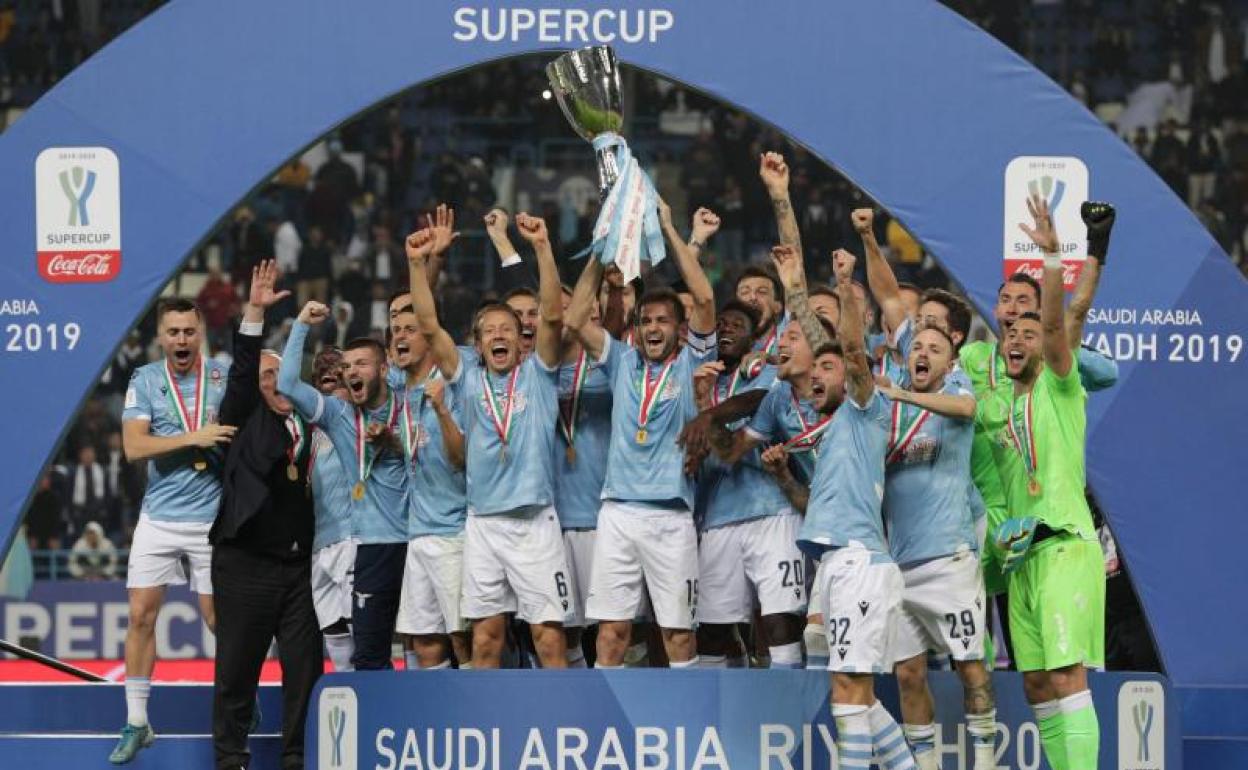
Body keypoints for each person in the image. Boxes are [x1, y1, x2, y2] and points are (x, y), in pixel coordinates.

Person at [974, 197, 1114, 770]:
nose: (1015, 336)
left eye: (1029, 332)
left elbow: (1066, 320)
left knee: (1065, 673)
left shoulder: (1061, 385)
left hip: (1063, 546)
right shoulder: (1001, 402)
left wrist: (1064, 255)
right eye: (1009, 330)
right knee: (1034, 684)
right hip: (1021, 557)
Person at [774, 245, 917, 770]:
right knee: (852, 687)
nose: (817, 374)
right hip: (832, 560)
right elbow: (830, 349)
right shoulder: (834, 423)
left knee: (848, 689)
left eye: (827, 369)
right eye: (816, 369)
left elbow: (851, 351)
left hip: (859, 559)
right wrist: (793, 285)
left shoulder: (866, 406)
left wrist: (843, 285)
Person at [405, 213, 570, 669]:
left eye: (508, 330)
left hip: (536, 522)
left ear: (522, 342)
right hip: (483, 525)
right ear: (476, 346)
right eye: (490, 331)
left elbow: (553, 315)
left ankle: (558, 728)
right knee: (484, 640)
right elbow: (428, 324)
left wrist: (541, 247)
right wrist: (417, 266)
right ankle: (491, 726)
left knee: (549, 639)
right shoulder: (467, 379)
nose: (499, 335)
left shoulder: (538, 374)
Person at [565, 203, 718, 669]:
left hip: (671, 517)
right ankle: (602, 726)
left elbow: (706, 300)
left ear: (680, 329)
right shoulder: (622, 362)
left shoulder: (692, 361)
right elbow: (573, 321)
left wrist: (671, 228)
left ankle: (687, 731)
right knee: (610, 634)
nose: (653, 328)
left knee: (677, 636)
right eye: (646, 321)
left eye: (663, 321)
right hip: (617, 514)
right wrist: (599, 247)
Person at [209, 260, 323, 770]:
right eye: (266, 376)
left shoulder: (312, 420)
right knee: (237, 670)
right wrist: (254, 311)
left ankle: (297, 757)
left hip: (300, 569)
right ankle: (231, 759)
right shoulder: (241, 418)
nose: (275, 382)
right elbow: (241, 372)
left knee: (304, 672)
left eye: (281, 373)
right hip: (246, 563)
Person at [112, 298, 235, 764]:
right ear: (160, 337)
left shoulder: (222, 378)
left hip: (210, 518)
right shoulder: (144, 380)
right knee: (141, 615)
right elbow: (133, 446)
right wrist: (194, 437)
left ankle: (237, 704)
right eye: (173, 332)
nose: (181, 340)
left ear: (201, 332)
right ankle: (137, 722)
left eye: (188, 331)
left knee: (219, 621)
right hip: (159, 519)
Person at [278, 305, 409, 671]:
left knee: (421, 642)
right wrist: (301, 323)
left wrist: (393, 441)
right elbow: (287, 384)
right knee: (356, 650)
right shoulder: (337, 418)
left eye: (358, 366)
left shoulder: (407, 403)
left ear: (384, 370)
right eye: (344, 369)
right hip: (354, 544)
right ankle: (371, 721)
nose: (348, 374)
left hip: (406, 538)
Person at [690, 298, 807, 670]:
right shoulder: (701, 376)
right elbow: (724, 451)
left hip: (772, 512)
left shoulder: (767, 369)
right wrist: (702, 401)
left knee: (780, 621)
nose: (726, 328)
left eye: (736, 324)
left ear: (754, 335)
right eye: (720, 324)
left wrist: (708, 414)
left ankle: (789, 714)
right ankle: (714, 718)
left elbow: (756, 400)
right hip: (717, 517)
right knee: (713, 629)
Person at [388, 303, 471, 670]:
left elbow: (461, 458)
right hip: (417, 533)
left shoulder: (451, 387)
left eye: (409, 329)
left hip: (454, 531)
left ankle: (478, 716)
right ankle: (435, 719)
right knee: (424, 642)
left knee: (463, 638)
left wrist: (441, 410)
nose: (399, 336)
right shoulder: (402, 392)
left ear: (429, 340)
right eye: (396, 330)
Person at [553, 285, 614, 668]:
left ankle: (626, 710)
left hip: (604, 518)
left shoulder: (610, 367)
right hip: (552, 522)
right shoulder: (535, 372)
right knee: (565, 630)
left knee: (618, 625)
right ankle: (577, 711)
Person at [306, 347, 357, 673]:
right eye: (322, 370)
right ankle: (351, 690)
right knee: (333, 631)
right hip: (317, 544)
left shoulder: (356, 421)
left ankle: (376, 701)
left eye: (339, 368)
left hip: (352, 537)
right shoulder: (306, 432)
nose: (329, 367)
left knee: (360, 630)